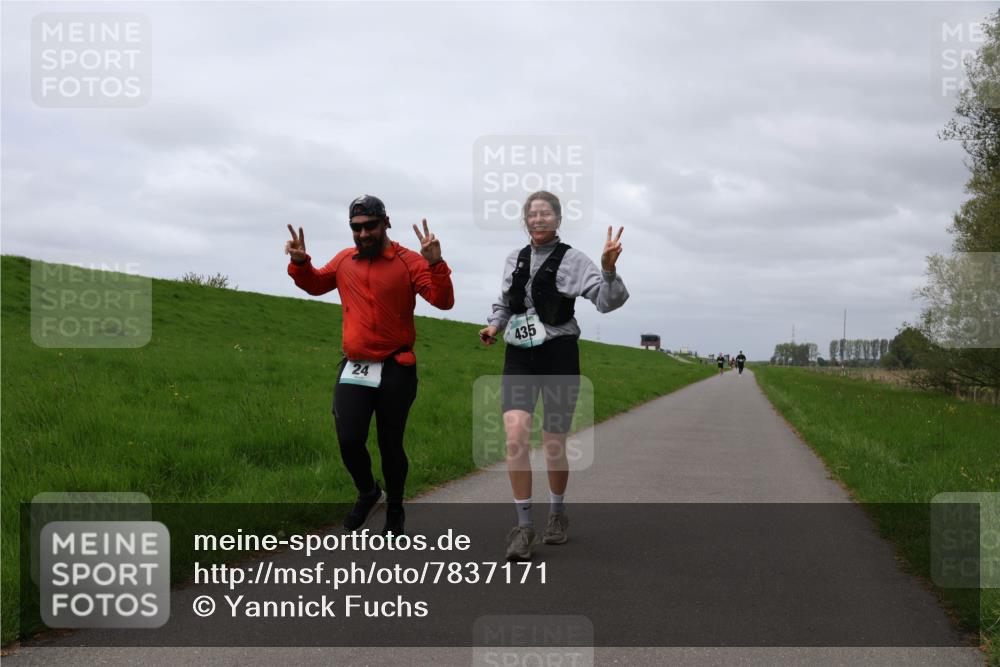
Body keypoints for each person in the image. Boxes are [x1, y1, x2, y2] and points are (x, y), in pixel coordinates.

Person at [285, 195, 454, 537]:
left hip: (396, 366)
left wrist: (436, 264)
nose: (363, 234)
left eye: (370, 226)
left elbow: (443, 301)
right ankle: (368, 491)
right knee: (348, 439)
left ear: (385, 223)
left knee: (390, 444)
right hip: (356, 368)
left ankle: (395, 509)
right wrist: (301, 263)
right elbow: (317, 284)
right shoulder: (345, 261)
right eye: (356, 228)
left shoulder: (408, 262)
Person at [479, 190, 629, 561]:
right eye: (533, 214)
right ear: (525, 220)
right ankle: (523, 526)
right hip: (519, 353)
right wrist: (494, 327)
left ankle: (558, 513)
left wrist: (608, 270)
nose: (539, 219)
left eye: (547, 213)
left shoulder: (574, 260)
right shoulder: (514, 258)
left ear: (558, 220)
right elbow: (504, 302)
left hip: (559, 353)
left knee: (553, 443)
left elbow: (608, 302)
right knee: (515, 435)